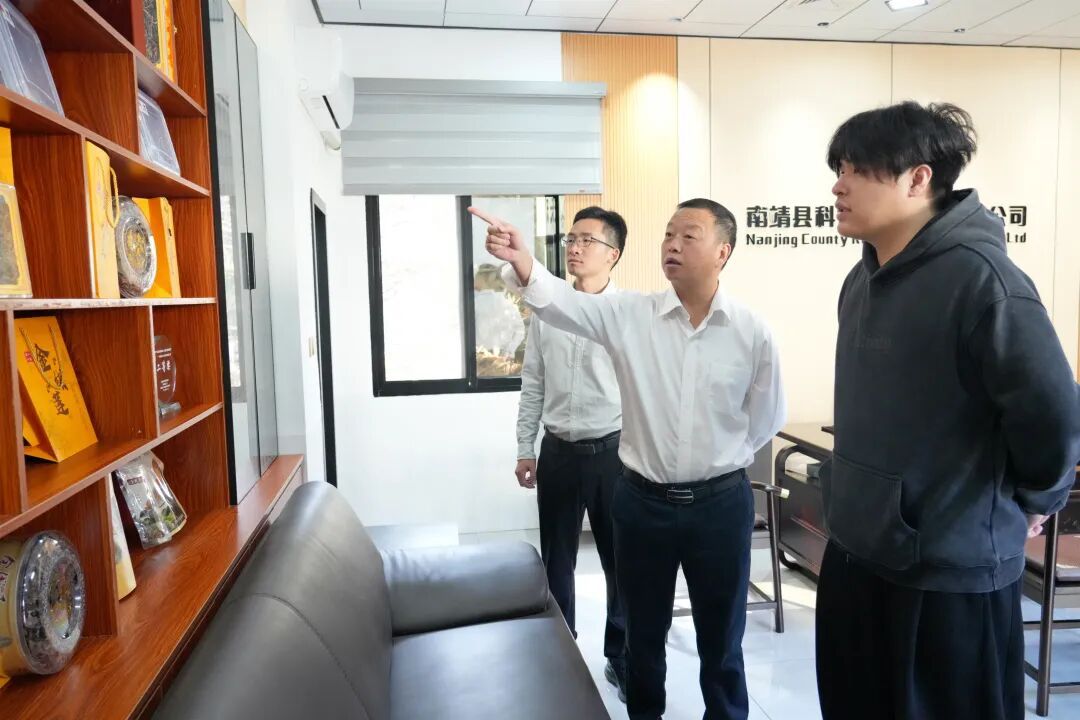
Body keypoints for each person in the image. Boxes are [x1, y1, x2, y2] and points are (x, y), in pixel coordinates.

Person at [472, 198, 786, 720]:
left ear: (723, 251)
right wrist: (523, 259)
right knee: (643, 636)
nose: (672, 245)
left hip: (720, 505)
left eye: (689, 236)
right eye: (668, 234)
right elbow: (559, 304)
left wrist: (713, 462)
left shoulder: (751, 331)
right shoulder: (631, 315)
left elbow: (766, 418)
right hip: (643, 503)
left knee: (722, 641)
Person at [816, 101, 1080, 720]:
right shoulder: (861, 280)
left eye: (856, 169)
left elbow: (1054, 417)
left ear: (918, 178)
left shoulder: (985, 281)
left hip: (946, 573)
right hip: (858, 552)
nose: (838, 186)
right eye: (839, 169)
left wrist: (1036, 500)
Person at [515, 206, 629, 699]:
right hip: (558, 452)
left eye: (587, 240)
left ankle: (621, 657)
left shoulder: (628, 315)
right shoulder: (548, 311)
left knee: (620, 563)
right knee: (556, 563)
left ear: (613, 254)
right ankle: (561, 655)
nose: (574, 247)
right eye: (571, 239)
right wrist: (525, 447)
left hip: (614, 456)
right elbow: (533, 382)